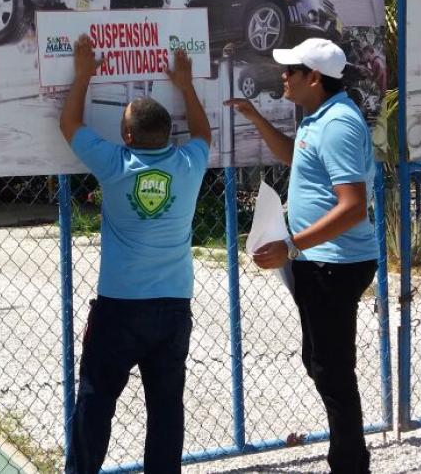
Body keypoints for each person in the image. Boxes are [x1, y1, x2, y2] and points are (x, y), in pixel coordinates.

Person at [224, 37, 378, 474]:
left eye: (291, 71)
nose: (283, 77)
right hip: (319, 261)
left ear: (314, 77)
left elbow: (352, 205)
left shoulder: (338, 125)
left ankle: (350, 464)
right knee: (321, 364)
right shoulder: (318, 118)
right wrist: (255, 118)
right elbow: (297, 158)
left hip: (335, 262)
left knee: (332, 370)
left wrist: (292, 246)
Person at [59, 35, 212, 474]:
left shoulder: (115, 164)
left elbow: (69, 125)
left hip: (120, 308)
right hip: (173, 306)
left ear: (127, 136)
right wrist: (184, 84)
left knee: (96, 401)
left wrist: (84, 74)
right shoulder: (188, 164)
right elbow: (202, 133)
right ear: (168, 133)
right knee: (166, 407)